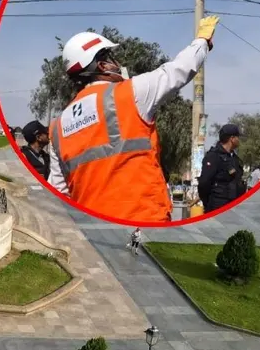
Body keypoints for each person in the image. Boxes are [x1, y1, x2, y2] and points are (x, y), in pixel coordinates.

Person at [48, 16, 220, 222]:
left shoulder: (57, 128)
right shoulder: (129, 93)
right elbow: (178, 70)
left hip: (94, 228)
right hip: (144, 217)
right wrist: (202, 40)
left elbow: (58, 190)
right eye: (112, 58)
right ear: (102, 65)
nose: (117, 63)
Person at [198, 124, 246, 213]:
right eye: (237, 137)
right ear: (232, 138)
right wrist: (208, 203)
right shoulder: (213, 156)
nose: (239, 140)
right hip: (217, 207)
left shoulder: (234, 158)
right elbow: (203, 184)